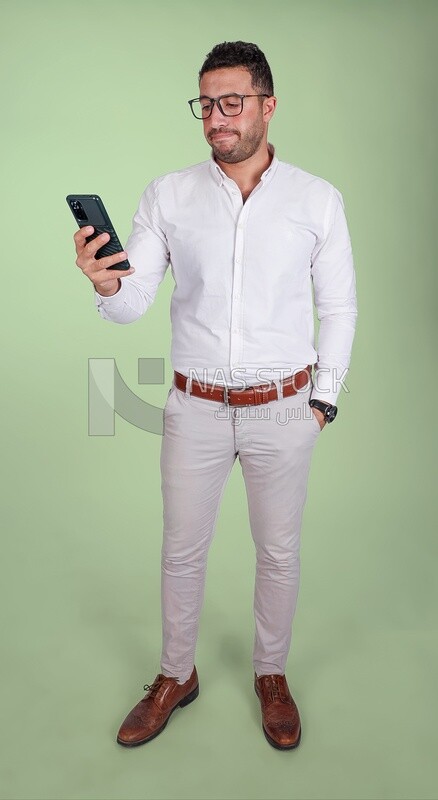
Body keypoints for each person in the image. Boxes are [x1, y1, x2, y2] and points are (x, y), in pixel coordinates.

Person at [73, 41, 357, 751]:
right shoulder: (169, 195)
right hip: (194, 406)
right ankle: (176, 675)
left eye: (232, 103)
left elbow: (341, 308)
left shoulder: (317, 200)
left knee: (280, 552)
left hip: (285, 408)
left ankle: (271, 675)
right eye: (207, 104)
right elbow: (135, 296)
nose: (217, 119)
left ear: (267, 105)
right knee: (181, 551)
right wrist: (105, 280)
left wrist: (323, 400)